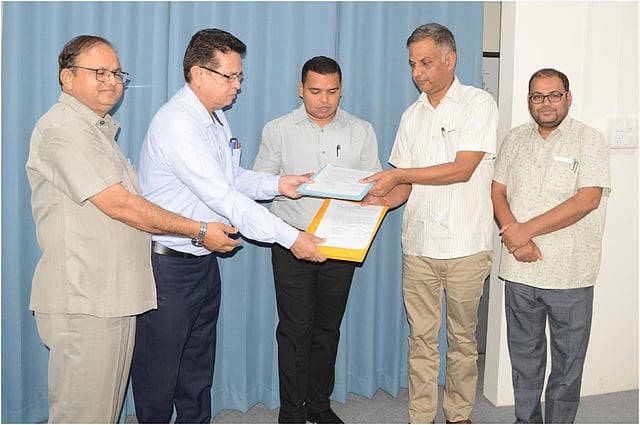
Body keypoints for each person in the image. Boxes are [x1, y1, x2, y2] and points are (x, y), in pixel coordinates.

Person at [25, 35, 241, 424]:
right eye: (99, 72)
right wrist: (198, 230)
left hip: (112, 296)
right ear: (67, 78)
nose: (111, 81)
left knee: (104, 412)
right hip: (84, 299)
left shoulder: (98, 132)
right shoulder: (63, 129)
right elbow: (121, 205)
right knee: (82, 414)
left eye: (116, 73)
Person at [131, 28, 326, 423]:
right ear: (199, 74)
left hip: (203, 262)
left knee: (197, 369)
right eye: (230, 77)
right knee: (159, 375)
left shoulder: (216, 118)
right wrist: (291, 238)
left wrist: (278, 184)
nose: (238, 85)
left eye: (240, 76)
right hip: (168, 267)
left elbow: (232, 178)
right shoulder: (178, 124)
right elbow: (225, 198)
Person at [361, 23, 498, 424]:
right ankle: (421, 416)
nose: (417, 72)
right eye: (412, 64)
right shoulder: (412, 115)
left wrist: (399, 176)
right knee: (420, 339)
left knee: (462, 339)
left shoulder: (478, 103)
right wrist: (377, 202)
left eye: (425, 62)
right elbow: (402, 186)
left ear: (450, 59)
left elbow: (462, 169)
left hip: (466, 246)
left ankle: (458, 415)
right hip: (418, 246)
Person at [253, 56, 382, 424]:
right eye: (315, 91)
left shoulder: (361, 131)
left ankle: (319, 405)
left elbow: (375, 185)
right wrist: (290, 185)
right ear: (301, 89)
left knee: (327, 329)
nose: (324, 100)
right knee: (294, 330)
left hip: (339, 246)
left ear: (341, 90)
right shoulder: (278, 130)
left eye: (332, 91)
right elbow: (260, 182)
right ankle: (292, 412)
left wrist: (372, 197)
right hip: (292, 241)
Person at [491, 68, 610, 423]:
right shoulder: (514, 139)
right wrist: (516, 239)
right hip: (520, 271)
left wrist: (524, 231)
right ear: (529, 101)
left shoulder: (589, 141)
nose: (546, 103)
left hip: (570, 274)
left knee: (567, 366)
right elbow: (497, 191)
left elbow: (587, 200)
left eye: (554, 95)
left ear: (568, 98)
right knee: (524, 361)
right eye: (537, 96)